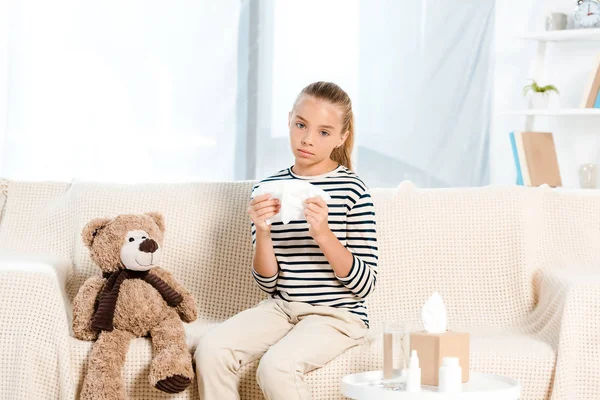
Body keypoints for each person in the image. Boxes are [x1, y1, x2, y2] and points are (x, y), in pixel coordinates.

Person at [196, 81, 378, 400]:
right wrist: (263, 230)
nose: (307, 139)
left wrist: (323, 234)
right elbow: (268, 284)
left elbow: (364, 285)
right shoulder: (267, 188)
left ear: (341, 137)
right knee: (211, 350)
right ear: (289, 120)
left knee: (275, 367)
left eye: (323, 132)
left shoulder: (353, 190)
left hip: (337, 315)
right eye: (300, 125)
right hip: (281, 307)